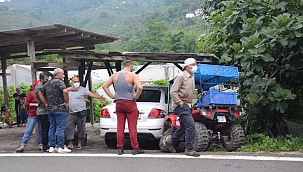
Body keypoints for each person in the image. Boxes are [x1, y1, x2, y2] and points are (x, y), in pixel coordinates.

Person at [102, 60, 144, 155]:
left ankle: (120, 147)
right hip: (129, 102)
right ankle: (135, 147)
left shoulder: (115, 75)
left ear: (123, 66)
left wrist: (112, 96)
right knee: (132, 126)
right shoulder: (133, 75)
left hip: (119, 102)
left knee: (120, 126)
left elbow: (105, 86)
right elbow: (140, 87)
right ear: (130, 66)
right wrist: (136, 96)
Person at [165, 58, 200, 157]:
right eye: (194, 64)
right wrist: (180, 103)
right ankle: (189, 149)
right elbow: (173, 91)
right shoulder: (181, 76)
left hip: (188, 104)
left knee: (185, 125)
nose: (195, 66)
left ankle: (172, 140)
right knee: (191, 125)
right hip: (180, 105)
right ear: (188, 66)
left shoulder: (192, 76)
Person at [65, 76, 106, 150]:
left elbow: (91, 94)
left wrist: (99, 97)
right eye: (74, 82)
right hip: (71, 112)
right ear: (72, 82)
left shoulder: (83, 90)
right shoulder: (68, 90)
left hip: (80, 112)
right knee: (69, 127)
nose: (76, 83)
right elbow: (63, 94)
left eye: (77, 81)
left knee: (81, 128)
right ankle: (70, 144)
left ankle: (79, 143)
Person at [39, 68, 71, 153]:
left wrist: (46, 103)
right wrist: (66, 102)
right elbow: (65, 92)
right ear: (58, 74)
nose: (63, 76)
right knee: (60, 128)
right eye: (63, 74)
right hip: (60, 108)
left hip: (50, 109)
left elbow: (40, 93)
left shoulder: (47, 83)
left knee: (52, 127)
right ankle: (61, 146)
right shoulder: (60, 82)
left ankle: (52, 146)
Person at [15, 80, 42, 153]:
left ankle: (41, 144)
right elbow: (26, 103)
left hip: (41, 114)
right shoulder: (31, 93)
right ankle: (23, 145)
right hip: (32, 114)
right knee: (29, 130)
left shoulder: (43, 92)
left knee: (41, 130)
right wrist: (34, 104)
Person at [35, 72, 52, 152]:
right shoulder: (40, 87)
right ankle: (45, 145)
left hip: (42, 111)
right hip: (43, 111)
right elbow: (40, 95)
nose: (47, 80)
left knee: (45, 129)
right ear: (41, 79)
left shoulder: (41, 86)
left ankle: (45, 144)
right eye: (45, 79)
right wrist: (46, 104)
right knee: (45, 129)